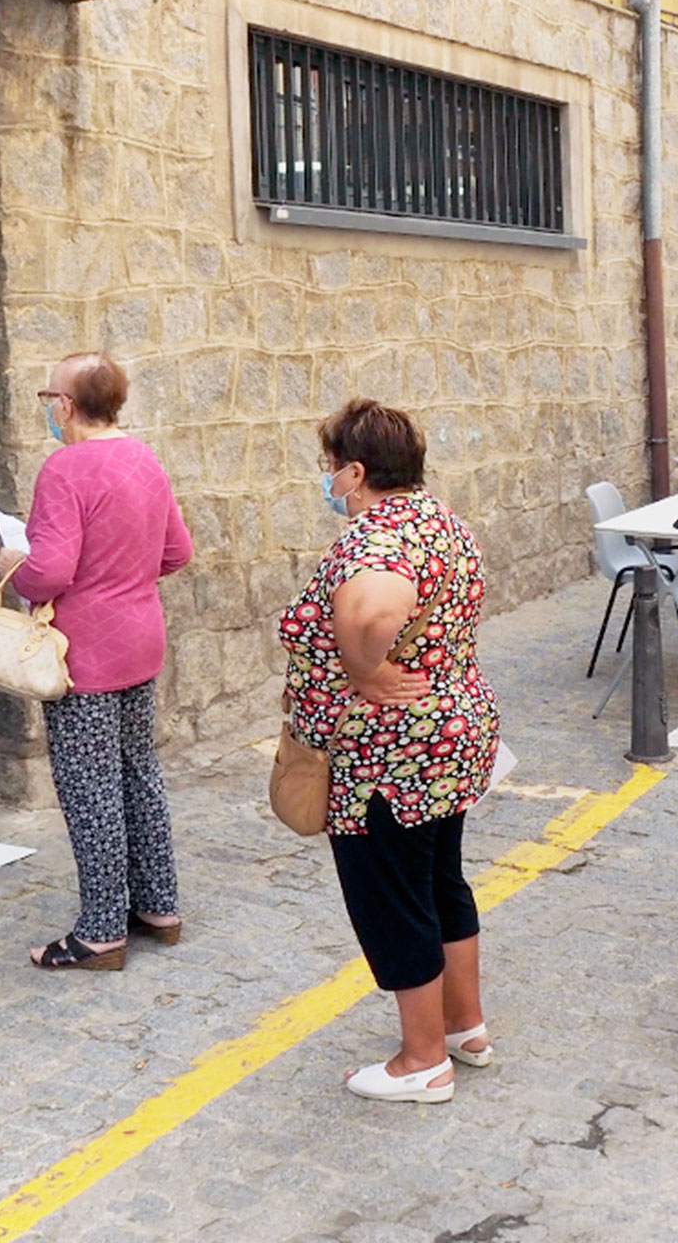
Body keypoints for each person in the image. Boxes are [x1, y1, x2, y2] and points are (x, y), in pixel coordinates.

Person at [281, 399, 501, 1102]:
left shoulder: (377, 537)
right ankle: (465, 1027)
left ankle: (422, 1059)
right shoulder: (441, 521)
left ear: (354, 471)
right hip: (448, 738)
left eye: (330, 470)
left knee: (394, 899)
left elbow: (373, 608)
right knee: (440, 882)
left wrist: (362, 667)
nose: (328, 483)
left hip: (389, 755)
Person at [0, 354, 194, 971]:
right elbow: (177, 551)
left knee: (90, 787)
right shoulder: (145, 458)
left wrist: (13, 567)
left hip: (81, 649)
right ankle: (158, 906)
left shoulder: (64, 469)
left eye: (47, 396)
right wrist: (124, 577)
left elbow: (50, 570)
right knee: (139, 771)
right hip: (140, 638)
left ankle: (102, 929)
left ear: (64, 404)